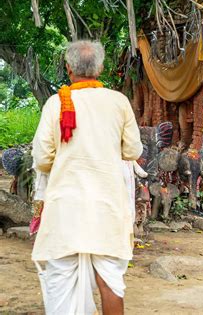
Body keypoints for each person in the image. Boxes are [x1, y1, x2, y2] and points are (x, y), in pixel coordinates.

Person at [32, 40, 143, 315]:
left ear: (68, 69)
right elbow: (132, 150)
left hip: (65, 210)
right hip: (108, 206)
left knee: (61, 278)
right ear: (101, 68)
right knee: (110, 282)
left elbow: (43, 159)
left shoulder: (55, 104)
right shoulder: (119, 102)